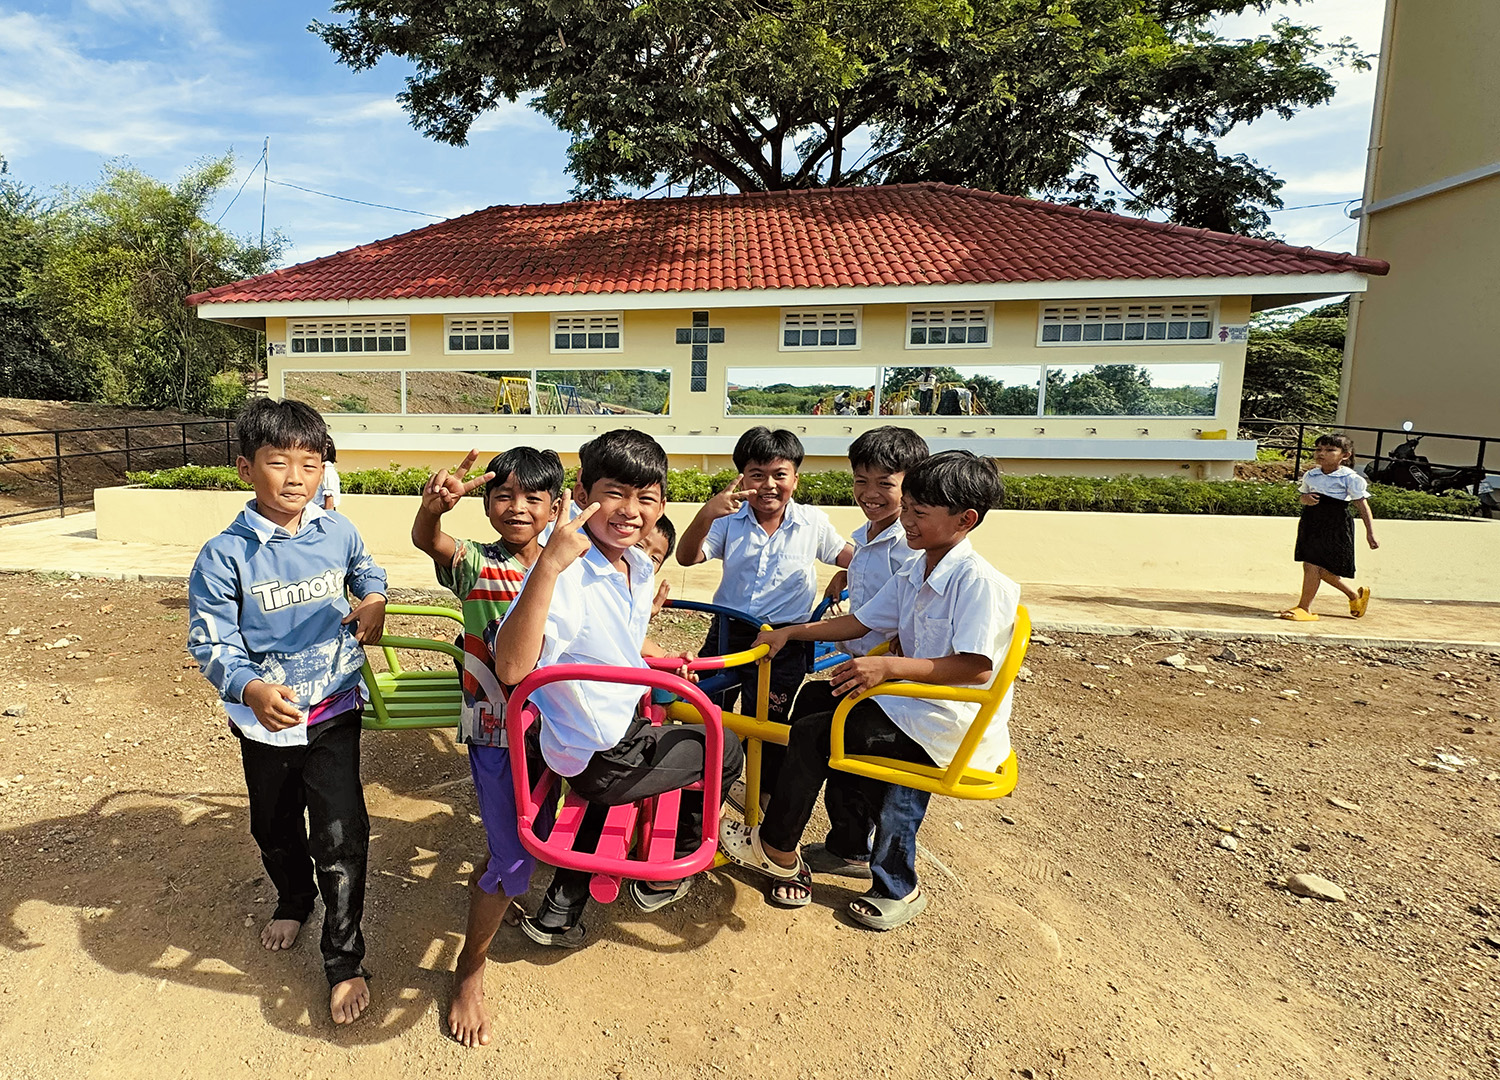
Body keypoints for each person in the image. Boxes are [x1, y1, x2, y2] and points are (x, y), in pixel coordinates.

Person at [719, 451, 1018, 930]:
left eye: (919, 513)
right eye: (909, 508)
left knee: (821, 733)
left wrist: (889, 665)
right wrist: (790, 633)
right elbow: (861, 620)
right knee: (817, 700)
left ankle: (788, 850)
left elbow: (976, 667)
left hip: (944, 722)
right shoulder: (917, 569)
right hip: (910, 705)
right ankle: (848, 846)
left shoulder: (979, 581)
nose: (907, 520)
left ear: (965, 520)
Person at [490, 429, 741, 945]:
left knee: (650, 736)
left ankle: (560, 911)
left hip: (604, 732)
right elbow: (512, 668)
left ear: (662, 504)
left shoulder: (639, 565)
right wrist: (550, 565)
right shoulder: (566, 576)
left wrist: (653, 663)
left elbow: (616, 640)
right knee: (727, 748)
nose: (629, 510)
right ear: (581, 495)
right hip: (595, 754)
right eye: (614, 493)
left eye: (645, 497)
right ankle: (664, 873)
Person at [186, 398, 388, 1024]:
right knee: (273, 828)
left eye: (311, 462)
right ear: (246, 468)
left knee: (339, 831)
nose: (296, 477)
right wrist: (249, 688)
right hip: (264, 722)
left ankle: (344, 959)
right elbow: (210, 640)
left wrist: (375, 597)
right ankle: (295, 898)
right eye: (278, 462)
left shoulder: (339, 531)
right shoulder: (224, 555)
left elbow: (366, 567)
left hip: (332, 706)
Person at [410, 446, 565, 1048]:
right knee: (514, 857)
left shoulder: (577, 563)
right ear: (486, 504)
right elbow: (432, 541)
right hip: (496, 725)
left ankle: (514, 891)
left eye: (532, 497)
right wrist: (430, 511)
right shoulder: (478, 563)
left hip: (559, 728)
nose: (517, 507)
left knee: (539, 832)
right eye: (504, 495)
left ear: (557, 505)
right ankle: (469, 969)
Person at [676, 427, 853, 802]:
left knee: (771, 719)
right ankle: (707, 789)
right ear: (742, 478)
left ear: (795, 479)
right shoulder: (728, 520)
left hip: (784, 640)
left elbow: (854, 557)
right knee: (709, 708)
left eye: (779, 475)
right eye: (757, 475)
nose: (768, 485)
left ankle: (763, 794)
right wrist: (707, 513)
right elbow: (687, 557)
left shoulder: (811, 522)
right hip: (729, 630)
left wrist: (844, 571)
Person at [800, 426, 929, 883]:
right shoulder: (870, 533)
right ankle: (849, 845)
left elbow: (904, 608)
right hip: (859, 669)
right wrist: (846, 577)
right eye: (861, 481)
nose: (869, 494)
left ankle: (893, 879)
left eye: (884, 484)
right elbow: (874, 590)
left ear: (912, 486)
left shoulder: (913, 544)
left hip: (894, 679)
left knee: (885, 778)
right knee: (836, 749)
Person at [1280, 434, 1378, 621]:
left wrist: (1370, 533)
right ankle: (1354, 596)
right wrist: (1305, 499)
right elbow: (1303, 496)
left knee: (1314, 566)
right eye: (1319, 449)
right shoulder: (1311, 475)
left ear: (1345, 455)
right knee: (1314, 567)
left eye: (1330, 450)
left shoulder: (1350, 478)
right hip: (1311, 522)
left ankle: (1304, 608)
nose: (1322, 454)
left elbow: (1362, 505)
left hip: (1335, 524)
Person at [314, 437, 341, 511]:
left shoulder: (327, 469)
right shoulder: (322, 467)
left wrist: (327, 517)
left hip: (322, 510)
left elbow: (329, 495)